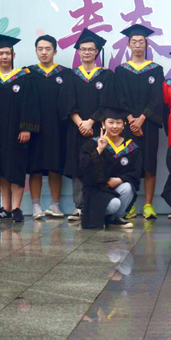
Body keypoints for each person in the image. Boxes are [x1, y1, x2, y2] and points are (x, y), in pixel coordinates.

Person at [0, 34, 40, 223]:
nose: (5, 56)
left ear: (13, 55)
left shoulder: (24, 77)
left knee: (15, 167)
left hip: (16, 131)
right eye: (1, 53)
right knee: (0, 168)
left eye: (8, 53)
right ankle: (5, 208)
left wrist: (26, 128)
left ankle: (17, 208)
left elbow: (30, 104)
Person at [110, 24, 163, 220]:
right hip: (126, 125)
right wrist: (131, 119)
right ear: (128, 45)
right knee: (127, 164)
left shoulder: (156, 70)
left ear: (147, 44)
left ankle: (148, 204)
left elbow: (157, 97)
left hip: (148, 124)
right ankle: (129, 204)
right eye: (134, 42)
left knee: (149, 163)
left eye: (141, 42)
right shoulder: (121, 71)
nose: (138, 45)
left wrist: (141, 119)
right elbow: (118, 97)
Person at [59, 28, 112, 223]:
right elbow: (67, 103)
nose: (87, 52)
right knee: (78, 166)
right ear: (78, 52)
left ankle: (97, 205)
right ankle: (80, 206)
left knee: (98, 164)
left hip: (98, 129)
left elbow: (107, 102)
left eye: (91, 49)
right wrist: (80, 123)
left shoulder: (106, 76)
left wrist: (91, 121)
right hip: (76, 130)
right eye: (83, 49)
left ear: (97, 51)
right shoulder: (71, 75)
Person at [26, 35, 71, 219]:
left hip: (57, 128)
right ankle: (36, 206)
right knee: (35, 168)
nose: (44, 52)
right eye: (40, 49)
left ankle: (55, 205)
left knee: (55, 167)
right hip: (34, 128)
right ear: (36, 51)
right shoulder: (28, 73)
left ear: (55, 51)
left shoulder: (65, 74)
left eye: (48, 49)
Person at [79, 106, 140, 229]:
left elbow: (136, 171)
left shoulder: (131, 147)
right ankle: (94, 215)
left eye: (118, 122)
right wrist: (99, 149)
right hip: (96, 190)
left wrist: (120, 179)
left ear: (124, 125)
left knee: (127, 187)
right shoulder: (92, 143)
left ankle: (115, 219)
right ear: (103, 124)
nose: (115, 126)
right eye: (111, 122)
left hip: (116, 187)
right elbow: (84, 169)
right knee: (114, 204)